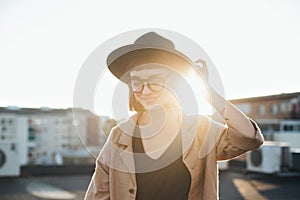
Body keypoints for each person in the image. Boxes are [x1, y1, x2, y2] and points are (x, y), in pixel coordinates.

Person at [84, 32, 264, 200]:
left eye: (155, 81)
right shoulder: (118, 136)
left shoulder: (201, 131)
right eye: (137, 82)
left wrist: (208, 92)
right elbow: (97, 196)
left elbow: (248, 137)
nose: (145, 90)